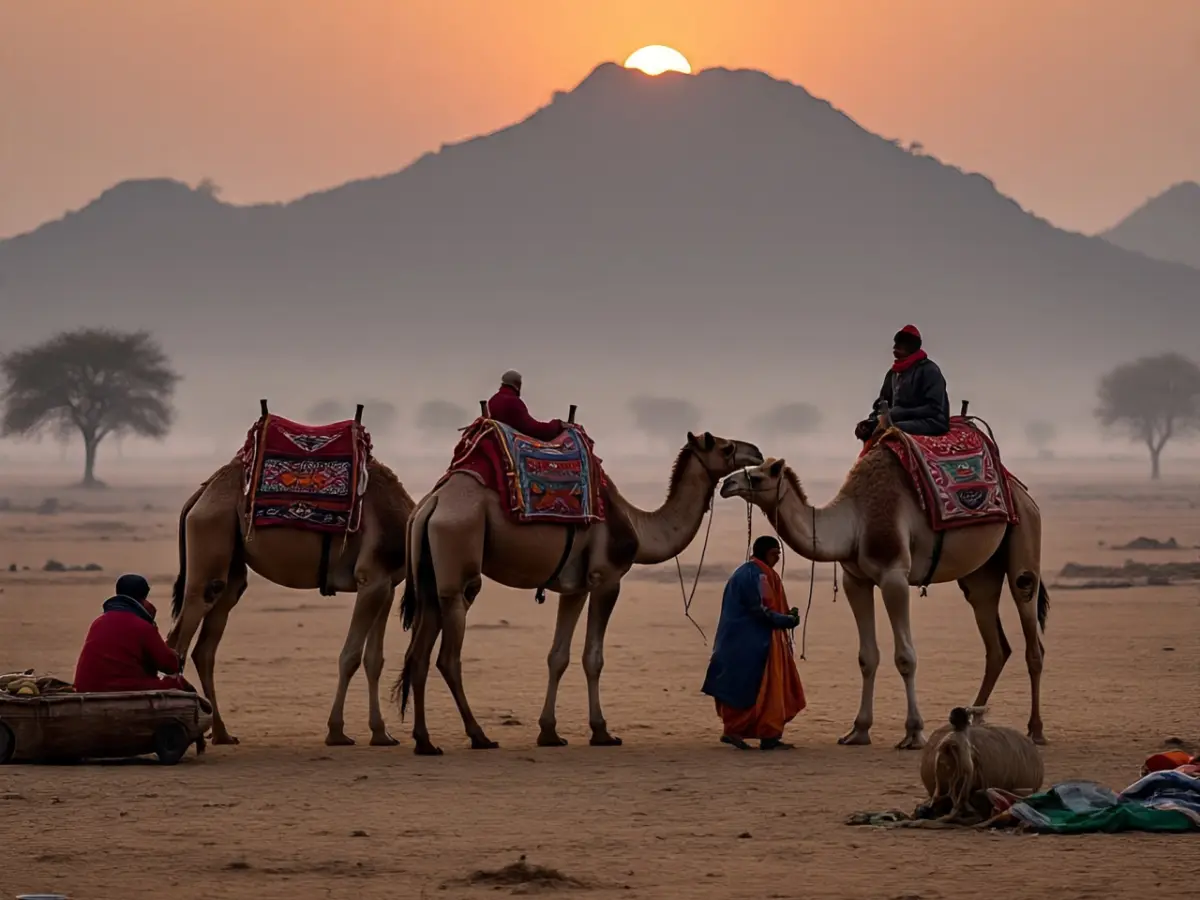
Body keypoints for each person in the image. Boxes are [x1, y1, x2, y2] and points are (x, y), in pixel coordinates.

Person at [701, 536, 807, 750]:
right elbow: (761, 610)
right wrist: (786, 620)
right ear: (765, 553)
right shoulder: (757, 576)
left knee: (755, 687)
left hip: (744, 640)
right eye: (774, 554)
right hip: (751, 642)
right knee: (751, 687)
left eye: (779, 554)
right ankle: (739, 731)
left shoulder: (751, 572)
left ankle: (767, 735)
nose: (778, 558)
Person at [73, 574, 193, 694]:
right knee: (177, 683)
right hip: (120, 688)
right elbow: (169, 664)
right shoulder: (142, 626)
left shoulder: (98, 622)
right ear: (144, 596)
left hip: (85, 687)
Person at [854, 324, 950, 442]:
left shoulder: (929, 370)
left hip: (931, 421)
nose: (895, 348)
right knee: (870, 430)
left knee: (892, 430)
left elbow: (933, 408)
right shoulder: (893, 373)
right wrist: (871, 421)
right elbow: (883, 404)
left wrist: (899, 413)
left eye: (901, 344)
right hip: (899, 420)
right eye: (896, 344)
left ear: (911, 347)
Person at [485, 369, 566, 441]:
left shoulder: (493, 400)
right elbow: (531, 428)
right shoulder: (513, 402)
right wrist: (556, 425)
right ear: (517, 384)